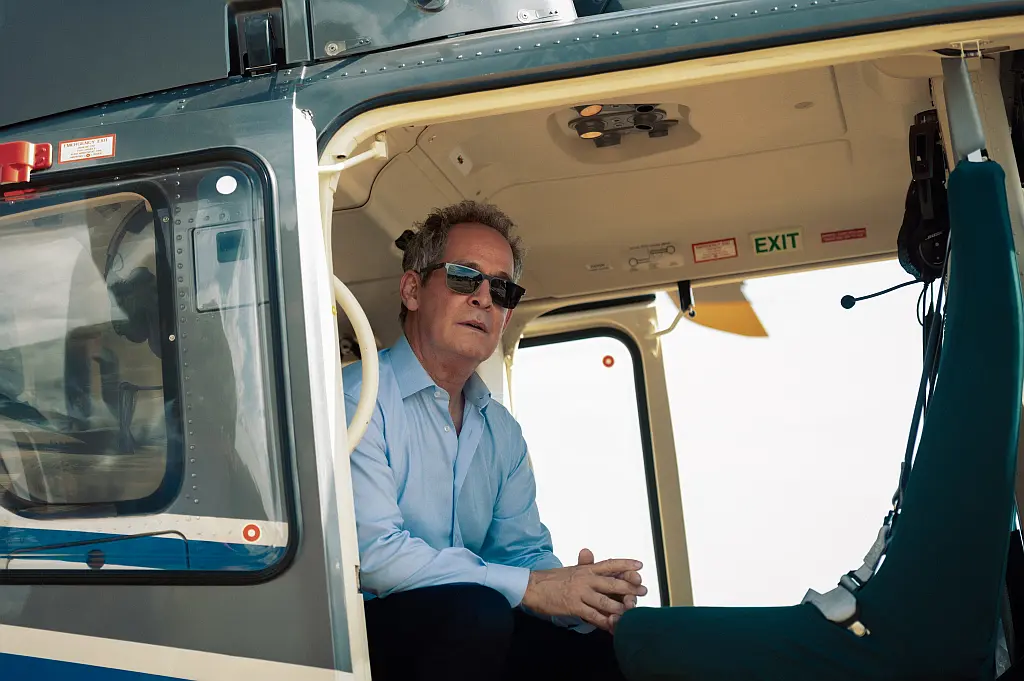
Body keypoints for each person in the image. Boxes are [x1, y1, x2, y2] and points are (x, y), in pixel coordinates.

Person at [342, 200, 647, 681]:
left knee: (603, 644)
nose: (485, 299)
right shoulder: (357, 399)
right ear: (412, 290)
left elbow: (521, 555)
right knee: (478, 613)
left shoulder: (501, 431)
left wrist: (581, 593)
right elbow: (377, 557)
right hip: (357, 635)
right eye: (465, 277)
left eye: (502, 289)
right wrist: (533, 588)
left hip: (461, 626)